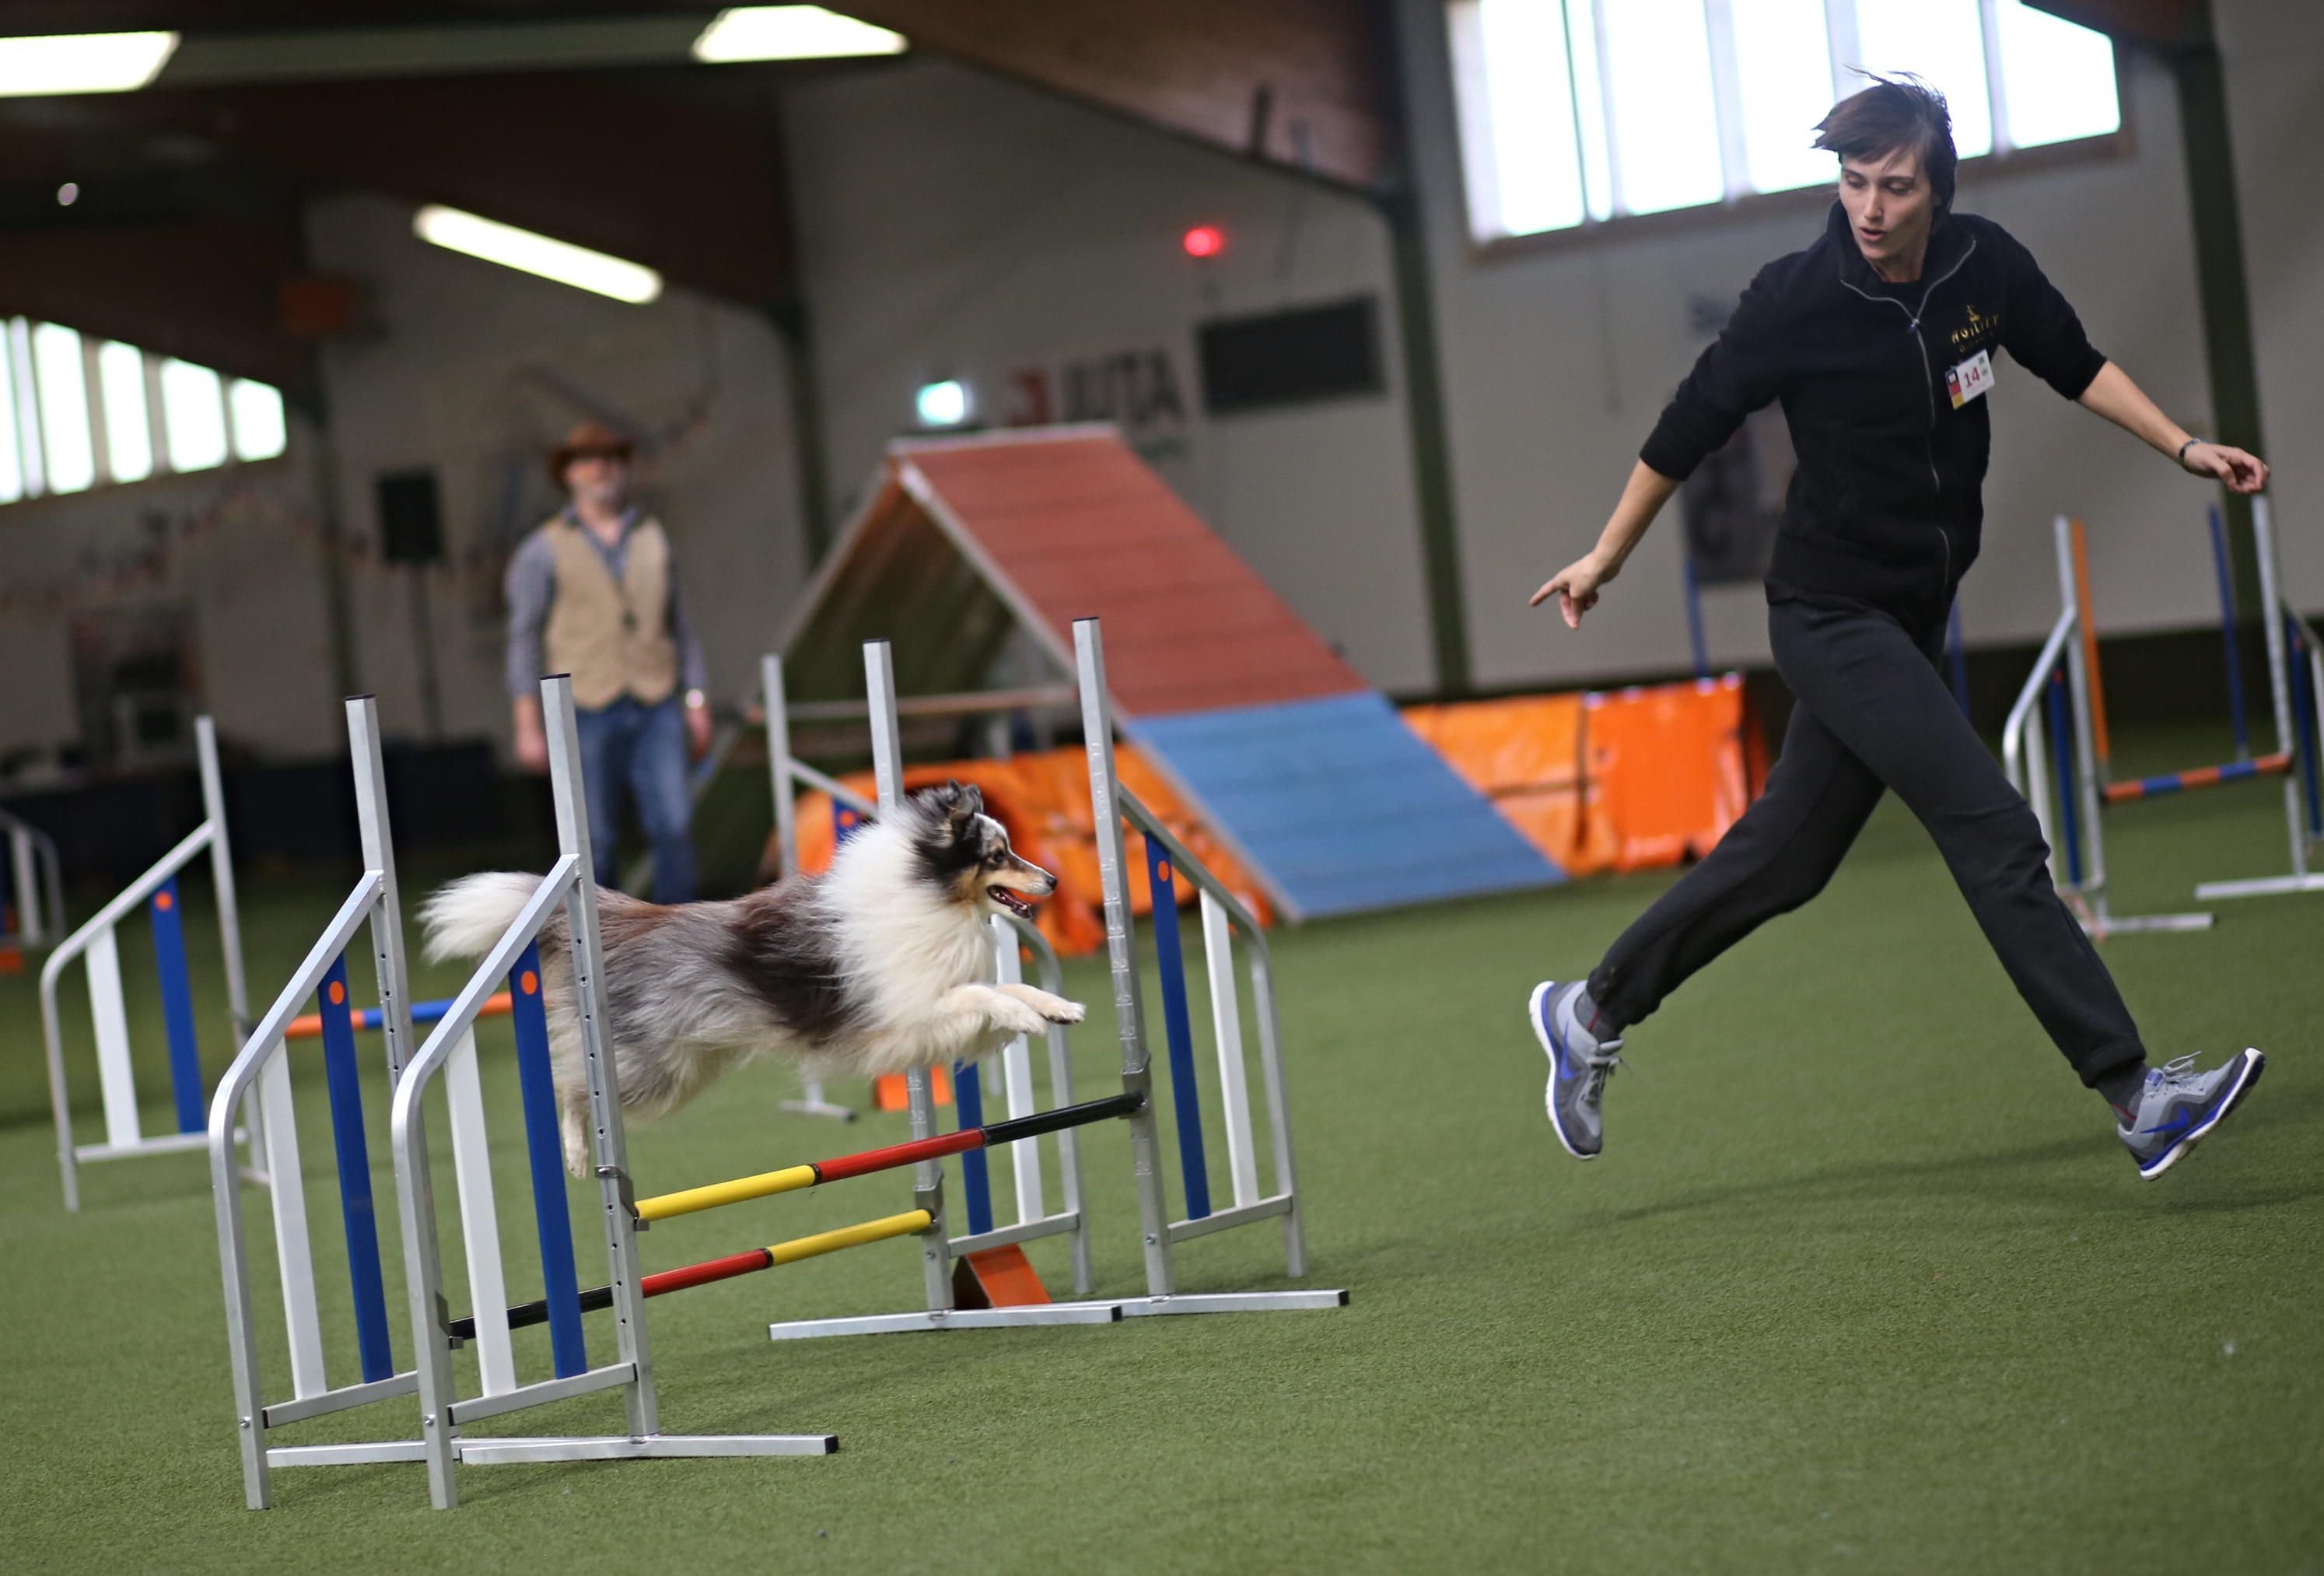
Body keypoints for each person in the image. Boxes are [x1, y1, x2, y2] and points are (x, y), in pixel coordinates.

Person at [1526, 78, 2269, 1182]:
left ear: (1938, 188)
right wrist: (1605, 555)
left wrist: (2182, 444)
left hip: (1913, 613)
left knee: (1787, 858)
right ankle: (2136, 1092)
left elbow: (2075, 360)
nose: (1870, 206)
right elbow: (1688, 426)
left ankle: (1592, 1012)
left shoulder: (1985, 269)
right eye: (1854, 180)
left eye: (1896, 184)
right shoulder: (1797, 298)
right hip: (1828, 614)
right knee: (1996, 830)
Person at [506, 420, 712, 903]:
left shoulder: (653, 535)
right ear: (569, 475)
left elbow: (681, 626)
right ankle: (603, 956)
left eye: (610, 458)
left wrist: (697, 698)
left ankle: (678, 950)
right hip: (584, 705)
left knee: (675, 825)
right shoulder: (542, 549)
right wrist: (527, 724)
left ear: (623, 470)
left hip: (657, 698)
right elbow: (522, 638)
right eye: (588, 459)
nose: (600, 468)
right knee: (593, 840)